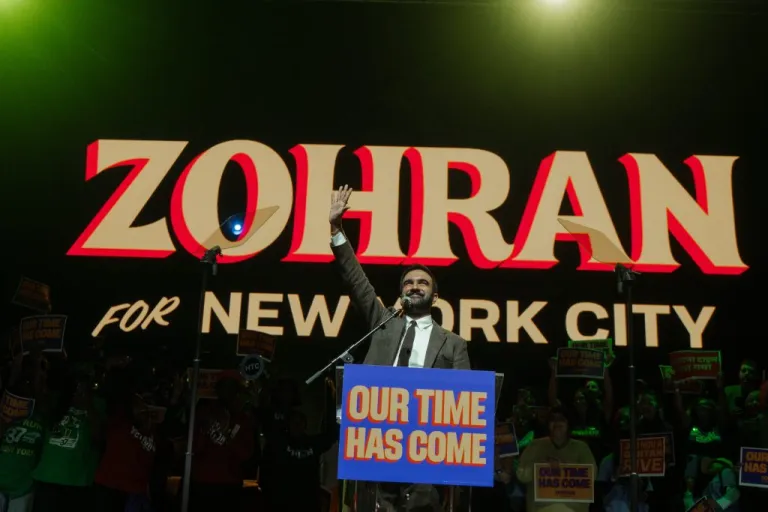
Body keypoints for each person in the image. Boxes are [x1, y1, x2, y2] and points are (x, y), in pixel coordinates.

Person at [328, 185, 470, 369]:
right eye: (408, 283)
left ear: (435, 297)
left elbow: (464, 392)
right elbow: (356, 281)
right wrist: (336, 229)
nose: (414, 286)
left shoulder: (454, 344)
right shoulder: (383, 322)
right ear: (401, 293)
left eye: (423, 283)